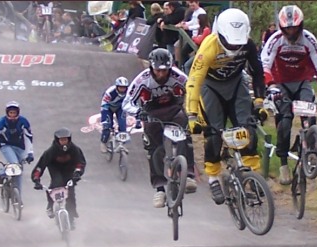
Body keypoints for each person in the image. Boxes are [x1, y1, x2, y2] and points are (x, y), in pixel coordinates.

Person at [185, 8, 267, 205]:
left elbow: (258, 73)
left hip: (236, 84)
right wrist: (192, 115)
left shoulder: (248, 45)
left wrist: (259, 102)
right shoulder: (208, 47)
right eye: (229, 41)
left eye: (237, 42)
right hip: (210, 87)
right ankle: (213, 177)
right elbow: (194, 80)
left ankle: (253, 174)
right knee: (213, 133)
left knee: (248, 128)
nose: (233, 46)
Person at [260, 5, 317, 185]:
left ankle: (313, 153)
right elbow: (265, 64)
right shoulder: (275, 39)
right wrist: (271, 86)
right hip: (281, 84)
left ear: (301, 25)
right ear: (282, 27)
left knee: (309, 113)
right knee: (284, 122)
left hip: (302, 82)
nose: (291, 32)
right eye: (287, 28)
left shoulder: (309, 40)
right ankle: (283, 163)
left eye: (294, 28)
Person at [122, 48, 197, 208]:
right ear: (151, 68)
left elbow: (193, 91)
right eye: (158, 70)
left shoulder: (178, 77)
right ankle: (159, 188)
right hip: (151, 114)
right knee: (152, 148)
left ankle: (189, 174)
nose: (162, 74)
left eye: (165, 70)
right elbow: (127, 102)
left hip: (174, 110)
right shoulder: (142, 80)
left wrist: (193, 111)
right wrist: (138, 112)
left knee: (185, 134)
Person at [31, 128, 86, 230]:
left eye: (66, 140)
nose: (64, 142)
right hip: (55, 170)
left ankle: (71, 217)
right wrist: (36, 179)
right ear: (57, 140)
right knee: (56, 184)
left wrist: (78, 172)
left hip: (69, 171)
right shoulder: (50, 152)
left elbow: (80, 162)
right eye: (61, 140)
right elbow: (40, 167)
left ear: (69, 140)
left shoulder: (75, 149)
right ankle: (50, 205)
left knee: (70, 192)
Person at [0, 101, 34, 194]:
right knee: (15, 164)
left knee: (19, 171)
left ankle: (18, 198)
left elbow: (29, 137)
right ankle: (1, 175)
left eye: (14, 113)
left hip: (20, 147)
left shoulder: (23, 121)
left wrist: (30, 152)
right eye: (10, 113)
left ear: (18, 112)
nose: (12, 115)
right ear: (7, 113)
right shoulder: (1, 123)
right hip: (6, 145)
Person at [100, 77, 129, 153]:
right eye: (120, 87)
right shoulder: (110, 92)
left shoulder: (129, 92)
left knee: (123, 127)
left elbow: (133, 102)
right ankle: (103, 143)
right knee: (107, 127)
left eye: (124, 87)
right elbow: (104, 106)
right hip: (108, 108)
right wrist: (104, 120)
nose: (122, 89)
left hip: (120, 108)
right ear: (116, 87)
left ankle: (123, 145)